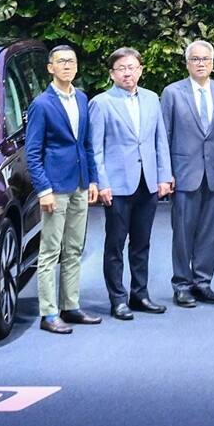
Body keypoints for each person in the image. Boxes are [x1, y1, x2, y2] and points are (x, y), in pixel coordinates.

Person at [90, 46, 174, 319]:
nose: (127, 73)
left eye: (132, 68)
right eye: (121, 69)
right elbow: (95, 149)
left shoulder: (151, 99)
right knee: (115, 244)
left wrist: (164, 176)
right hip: (116, 186)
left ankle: (140, 294)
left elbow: (160, 141)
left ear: (140, 70)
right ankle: (118, 299)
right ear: (112, 74)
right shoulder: (101, 103)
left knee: (142, 243)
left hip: (147, 183)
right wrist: (102, 183)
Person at [24, 44, 102, 334]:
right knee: (50, 252)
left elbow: (87, 144)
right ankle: (48, 313)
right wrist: (43, 189)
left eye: (71, 61)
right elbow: (33, 152)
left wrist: (92, 179)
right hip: (55, 187)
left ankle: (71, 306)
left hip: (80, 183)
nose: (67, 65)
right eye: (61, 61)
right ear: (50, 68)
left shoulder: (81, 98)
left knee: (74, 249)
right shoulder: (41, 104)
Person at [160, 39, 214, 308]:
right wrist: (166, 173)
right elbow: (163, 136)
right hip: (183, 174)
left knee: (208, 232)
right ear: (187, 63)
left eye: (205, 59)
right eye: (195, 59)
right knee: (182, 233)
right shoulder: (172, 93)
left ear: (212, 63)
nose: (200, 63)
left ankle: (203, 282)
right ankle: (182, 285)